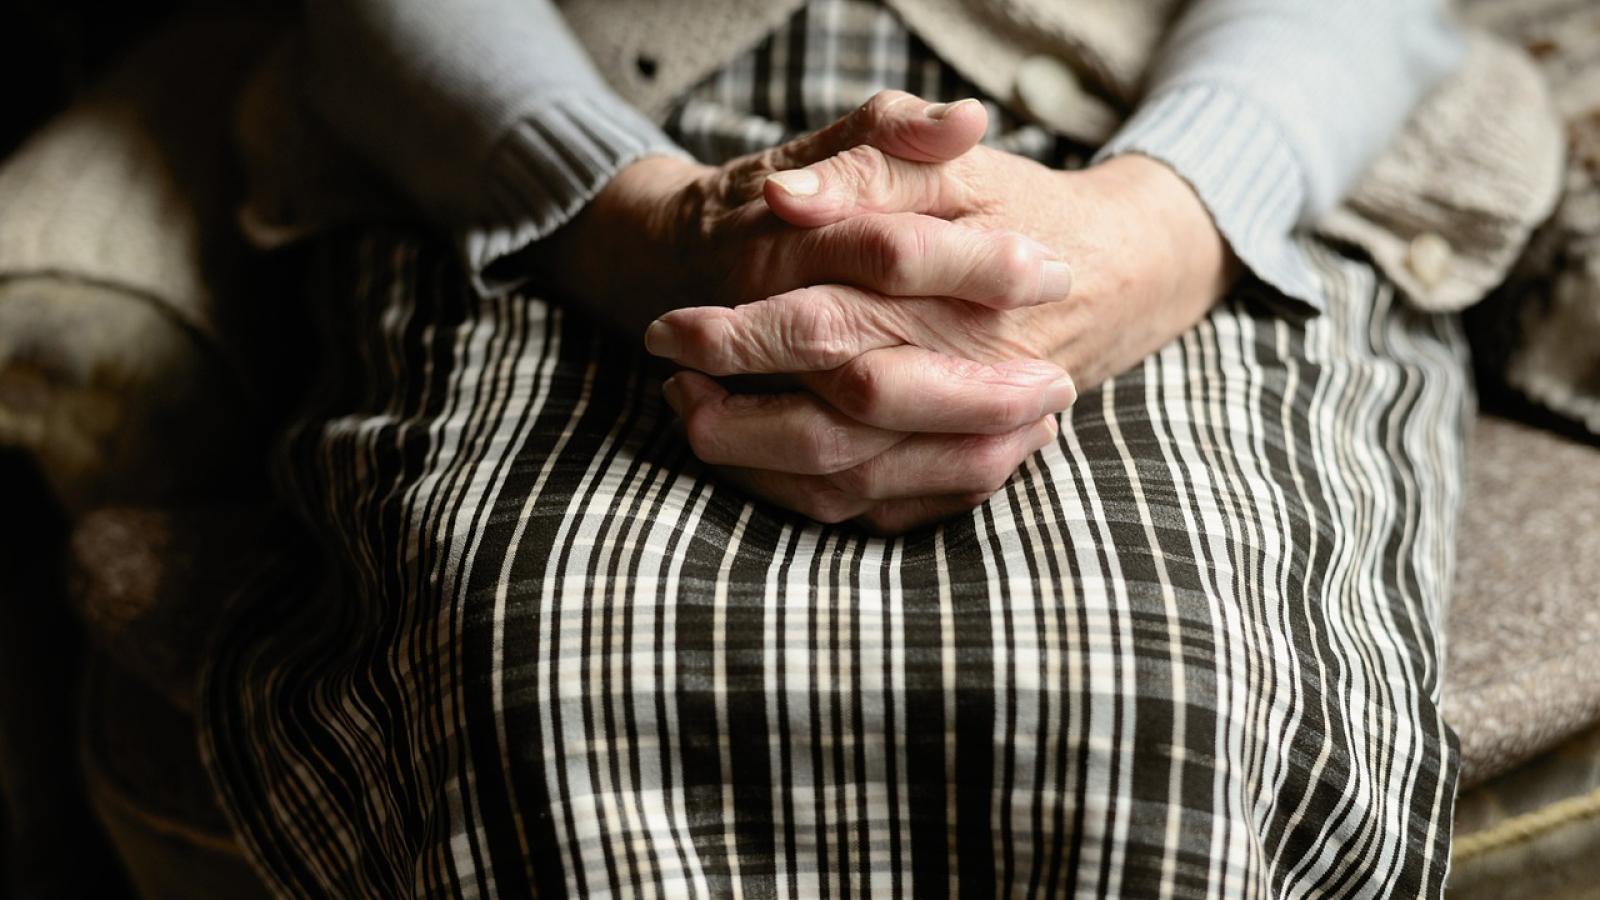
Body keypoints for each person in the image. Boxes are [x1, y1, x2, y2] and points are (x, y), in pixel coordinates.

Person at [199, 0, 1553, 896]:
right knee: (548, 676)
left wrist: (1158, 224)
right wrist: (643, 222)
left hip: (1173, 156)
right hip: (576, 166)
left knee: (1149, 701)